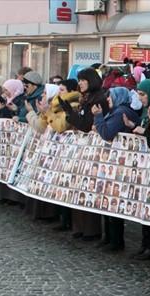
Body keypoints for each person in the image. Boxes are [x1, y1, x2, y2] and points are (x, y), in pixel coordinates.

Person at [59, 68, 107, 242]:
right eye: (79, 80)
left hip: (93, 148)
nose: (79, 83)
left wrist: (70, 115)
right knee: (78, 186)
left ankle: (90, 229)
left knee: (88, 188)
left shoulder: (98, 98)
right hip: (83, 148)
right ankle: (79, 227)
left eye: (82, 80)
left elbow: (86, 125)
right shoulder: (86, 98)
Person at [93, 86, 139, 252]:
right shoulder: (118, 111)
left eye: (110, 96)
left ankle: (115, 240)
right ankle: (110, 237)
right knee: (108, 199)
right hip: (114, 162)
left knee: (113, 201)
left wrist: (98, 118)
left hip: (120, 163)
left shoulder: (121, 112)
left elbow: (107, 133)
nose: (107, 99)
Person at [126, 78, 150, 262]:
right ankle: (147, 244)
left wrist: (148, 129)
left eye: (143, 94)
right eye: (139, 94)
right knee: (143, 205)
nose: (140, 97)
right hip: (145, 165)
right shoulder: (146, 110)